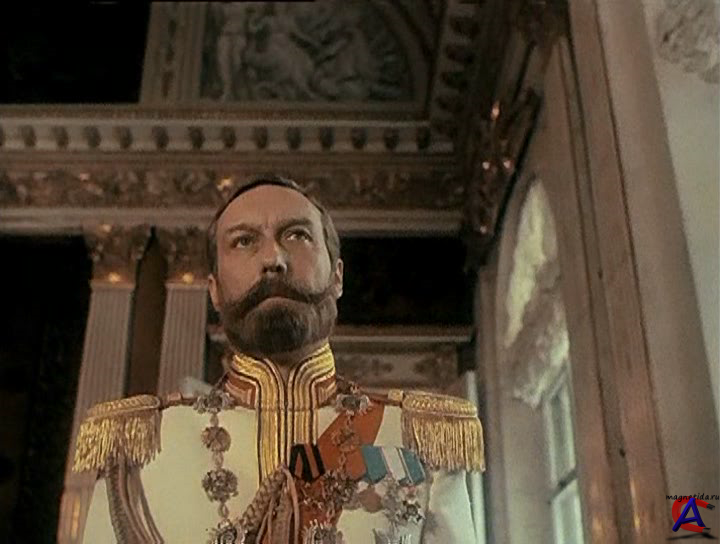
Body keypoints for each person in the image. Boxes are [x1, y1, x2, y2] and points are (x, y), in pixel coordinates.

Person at [73, 175, 485, 543]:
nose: (273, 259)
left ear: (337, 276)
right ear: (214, 291)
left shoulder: (415, 439)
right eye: (244, 241)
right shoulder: (140, 450)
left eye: (297, 235)